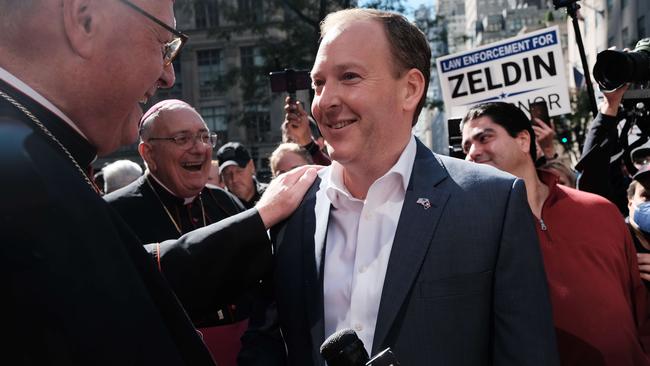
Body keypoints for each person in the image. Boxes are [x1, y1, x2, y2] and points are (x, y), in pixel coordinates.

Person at [0, 1, 318, 364]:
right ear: (84, 20)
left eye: (203, 137)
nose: (169, 76)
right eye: (163, 44)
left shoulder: (43, 153)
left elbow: (118, 282)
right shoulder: (17, 176)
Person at [254, 8, 558, 365]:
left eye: (349, 77)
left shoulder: (491, 202)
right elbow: (265, 344)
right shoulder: (290, 207)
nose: (324, 102)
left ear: (410, 89)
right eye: (318, 83)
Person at [461, 101, 650, 365]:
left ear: (523, 140)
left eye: (484, 138)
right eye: (466, 147)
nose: (473, 153)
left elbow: (639, 305)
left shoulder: (599, 210)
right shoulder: (470, 237)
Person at [103, 100, 250, 365]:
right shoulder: (113, 214)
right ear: (148, 153)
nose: (199, 148)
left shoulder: (226, 204)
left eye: (205, 137)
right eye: (182, 138)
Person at [217, 142, 268, 209]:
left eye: (239, 171)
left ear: (251, 166)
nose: (234, 179)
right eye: (227, 174)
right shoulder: (217, 207)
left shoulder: (270, 195)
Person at [282, 96, 331, 166]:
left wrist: (308, 146)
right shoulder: (281, 169)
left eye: (299, 145)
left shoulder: (331, 170)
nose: (293, 148)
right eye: (290, 141)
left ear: (320, 143)